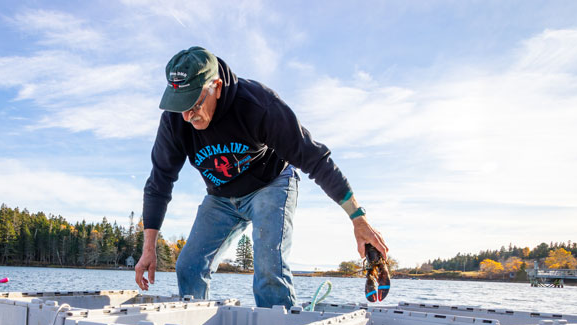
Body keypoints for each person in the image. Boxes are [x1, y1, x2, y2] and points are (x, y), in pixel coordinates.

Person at [135, 46, 388, 308]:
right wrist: (149, 247)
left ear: (217, 87)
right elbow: (159, 182)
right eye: (180, 107)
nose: (188, 116)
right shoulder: (175, 121)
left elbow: (314, 158)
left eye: (194, 103)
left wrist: (358, 218)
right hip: (221, 197)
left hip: (271, 183)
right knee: (188, 265)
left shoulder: (257, 105)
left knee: (269, 267)